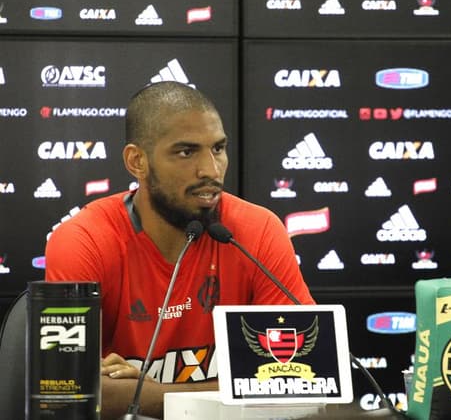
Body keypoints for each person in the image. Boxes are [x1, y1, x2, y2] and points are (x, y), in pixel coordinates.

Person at [45, 81, 315, 419]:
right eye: (186, 152)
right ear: (137, 161)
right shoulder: (83, 241)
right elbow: (64, 395)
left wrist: (151, 394)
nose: (211, 171)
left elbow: (303, 380)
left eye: (218, 149)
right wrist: (238, 387)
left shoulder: (258, 231)